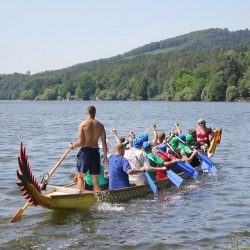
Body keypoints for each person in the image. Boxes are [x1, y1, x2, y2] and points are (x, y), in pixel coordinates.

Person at [68, 105, 108, 192]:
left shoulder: (83, 125)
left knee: (81, 176)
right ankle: (98, 197)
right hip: (95, 153)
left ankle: (80, 197)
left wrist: (72, 146)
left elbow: (81, 142)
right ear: (95, 113)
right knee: (95, 179)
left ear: (86, 113)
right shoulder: (100, 126)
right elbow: (104, 144)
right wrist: (105, 157)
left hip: (85, 152)